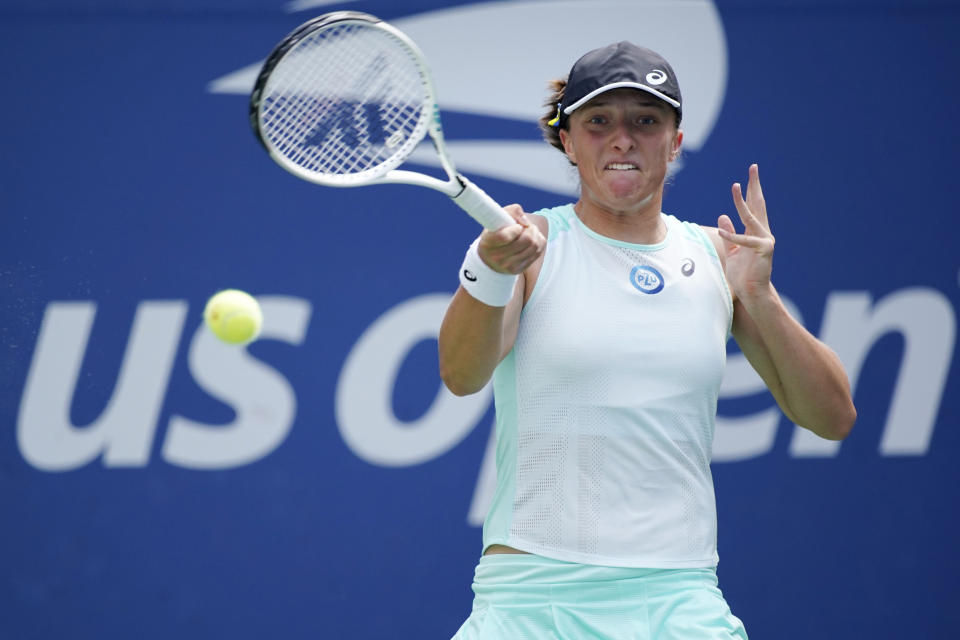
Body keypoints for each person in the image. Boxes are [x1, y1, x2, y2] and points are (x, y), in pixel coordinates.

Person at [439, 41, 856, 639]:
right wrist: (491, 270)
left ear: (675, 141)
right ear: (567, 140)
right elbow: (461, 375)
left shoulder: (720, 258)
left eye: (646, 121)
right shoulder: (526, 248)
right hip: (533, 600)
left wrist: (760, 298)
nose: (623, 139)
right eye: (599, 122)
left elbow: (833, 417)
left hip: (679, 600)